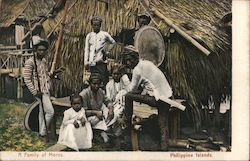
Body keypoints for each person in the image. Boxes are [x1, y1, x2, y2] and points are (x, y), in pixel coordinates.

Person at [121, 45, 175, 150]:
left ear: (135, 58)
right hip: (167, 97)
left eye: (130, 60)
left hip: (157, 99)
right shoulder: (147, 63)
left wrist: (124, 76)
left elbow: (130, 90)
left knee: (128, 96)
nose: (128, 63)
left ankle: (127, 122)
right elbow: (146, 83)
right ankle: (165, 147)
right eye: (126, 60)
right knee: (162, 122)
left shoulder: (137, 70)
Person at [23, 39, 54, 138]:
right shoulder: (30, 62)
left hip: (46, 89)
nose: (42, 52)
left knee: (42, 111)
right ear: (35, 50)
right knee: (50, 111)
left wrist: (54, 75)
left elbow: (45, 74)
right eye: (40, 50)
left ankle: (41, 131)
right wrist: (35, 91)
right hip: (39, 91)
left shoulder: (44, 61)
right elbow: (27, 78)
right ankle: (44, 132)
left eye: (44, 50)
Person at [79, 73, 114, 143]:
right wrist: (95, 112)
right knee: (95, 120)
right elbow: (82, 112)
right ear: (90, 83)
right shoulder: (84, 94)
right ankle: (100, 132)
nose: (97, 86)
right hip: (89, 117)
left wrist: (111, 109)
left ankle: (101, 130)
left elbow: (108, 101)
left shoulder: (100, 91)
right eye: (94, 84)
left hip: (100, 115)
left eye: (98, 84)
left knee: (112, 114)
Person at [84, 16, 116, 86]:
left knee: (104, 80)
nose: (96, 27)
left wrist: (107, 51)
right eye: (94, 25)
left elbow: (113, 42)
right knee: (93, 80)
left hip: (101, 62)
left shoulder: (104, 34)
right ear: (92, 25)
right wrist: (86, 62)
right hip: (92, 62)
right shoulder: (89, 36)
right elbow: (87, 49)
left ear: (100, 25)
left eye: (97, 25)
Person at [105, 64, 130, 135]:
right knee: (112, 113)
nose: (116, 76)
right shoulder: (109, 85)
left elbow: (129, 88)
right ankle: (108, 127)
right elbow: (108, 99)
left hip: (123, 104)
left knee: (118, 113)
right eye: (114, 74)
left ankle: (115, 131)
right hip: (113, 104)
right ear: (111, 74)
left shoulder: (124, 82)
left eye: (118, 74)